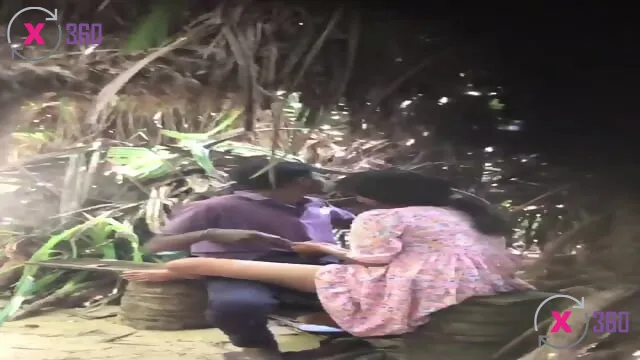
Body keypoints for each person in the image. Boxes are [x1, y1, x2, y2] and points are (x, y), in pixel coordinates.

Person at [122, 157, 354, 359]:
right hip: (239, 270)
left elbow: (359, 223)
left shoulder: (316, 204)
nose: (321, 180)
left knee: (363, 295)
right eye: (314, 175)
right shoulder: (214, 207)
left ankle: (346, 341)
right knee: (238, 305)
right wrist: (210, 234)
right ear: (300, 181)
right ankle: (258, 346)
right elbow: (154, 246)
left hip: (315, 266)